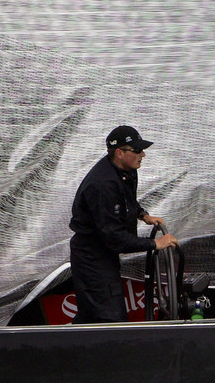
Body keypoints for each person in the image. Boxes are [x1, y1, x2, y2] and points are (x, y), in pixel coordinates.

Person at [69, 125, 177, 323]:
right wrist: (154, 244)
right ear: (119, 153)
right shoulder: (103, 185)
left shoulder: (127, 170)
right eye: (137, 150)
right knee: (110, 318)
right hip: (91, 258)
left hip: (105, 254)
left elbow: (127, 200)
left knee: (95, 315)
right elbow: (115, 238)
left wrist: (143, 214)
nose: (143, 154)